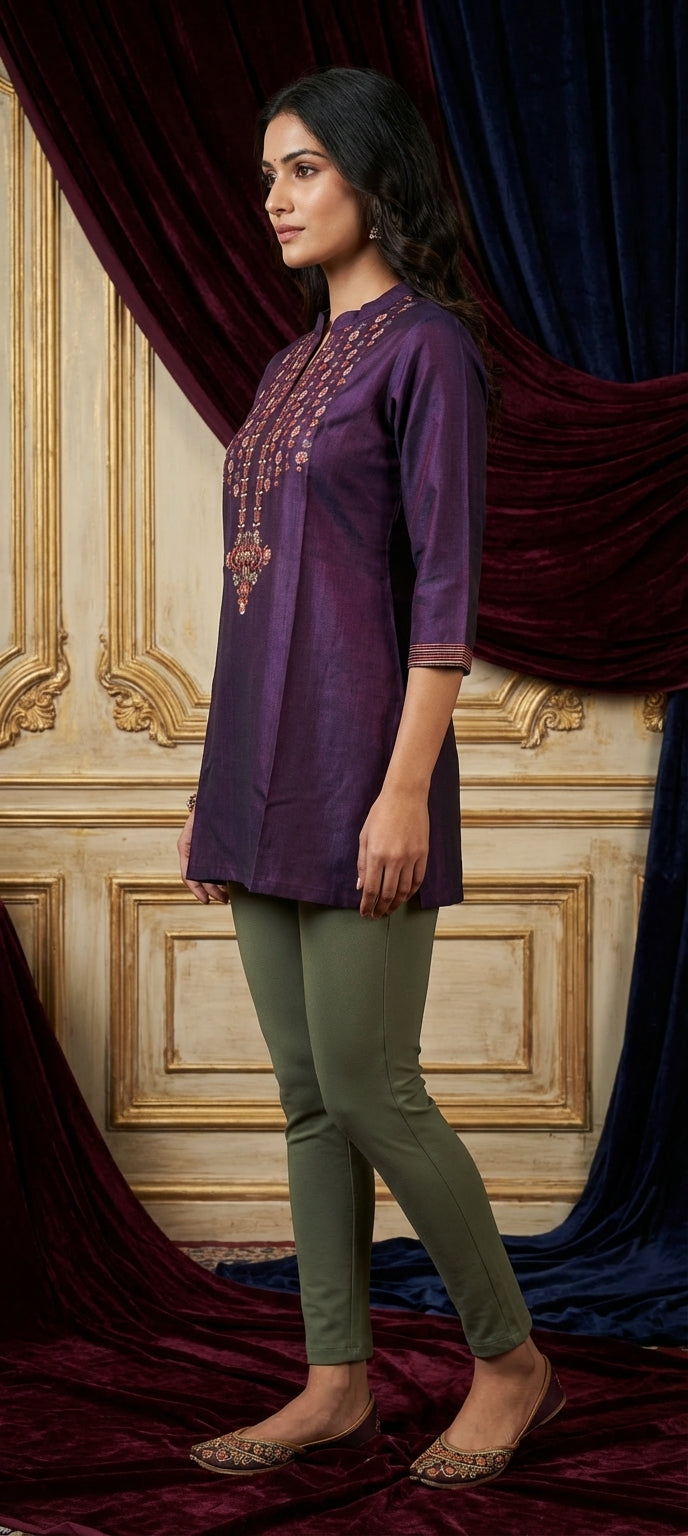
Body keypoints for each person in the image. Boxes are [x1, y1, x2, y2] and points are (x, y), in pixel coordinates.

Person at [178, 66, 564, 1488]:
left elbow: (445, 590)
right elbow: (259, 603)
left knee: (368, 1085)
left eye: (304, 169)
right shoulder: (288, 369)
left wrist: (404, 790)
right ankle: (334, 1382)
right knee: (303, 1094)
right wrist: (216, 787)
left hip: (366, 770)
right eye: (268, 174)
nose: (276, 199)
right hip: (260, 776)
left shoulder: (430, 352)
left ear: (373, 175)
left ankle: (510, 1361)